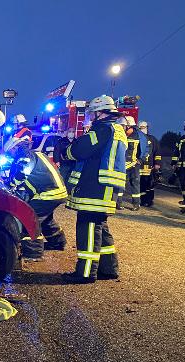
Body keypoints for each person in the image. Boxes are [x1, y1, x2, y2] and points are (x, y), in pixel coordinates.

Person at [61, 95, 127, 284]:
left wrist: (66, 151)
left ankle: (86, 272)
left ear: (100, 113)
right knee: (100, 226)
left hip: (95, 186)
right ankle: (109, 268)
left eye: (92, 113)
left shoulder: (102, 129)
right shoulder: (117, 129)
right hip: (106, 186)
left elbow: (80, 150)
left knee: (88, 226)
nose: (90, 116)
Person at [5, 145, 67, 261]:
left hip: (47, 194)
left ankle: (33, 253)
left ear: (15, 147)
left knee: (29, 218)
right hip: (56, 192)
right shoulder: (36, 153)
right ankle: (57, 242)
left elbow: (22, 173)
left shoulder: (25, 156)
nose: (10, 155)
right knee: (46, 220)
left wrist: (10, 184)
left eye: (10, 152)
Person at [116, 116, 148, 211]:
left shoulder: (140, 136)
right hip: (121, 164)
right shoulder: (121, 135)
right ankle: (118, 203)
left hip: (134, 165)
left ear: (129, 126)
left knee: (135, 184)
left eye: (124, 126)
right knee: (119, 184)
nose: (122, 128)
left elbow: (146, 149)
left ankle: (136, 204)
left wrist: (141, 160)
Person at [138, 121, 162, 207]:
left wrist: (157, 163)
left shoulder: (152, 139)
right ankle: (143, 200)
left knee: (150, 184)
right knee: (141, 184)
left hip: (149, 166)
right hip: (139, 166)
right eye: (141, 128)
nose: (142, 129)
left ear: (147, 128)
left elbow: (157, 152)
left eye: (144, 127)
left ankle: (149, 200)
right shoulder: (137, 138)